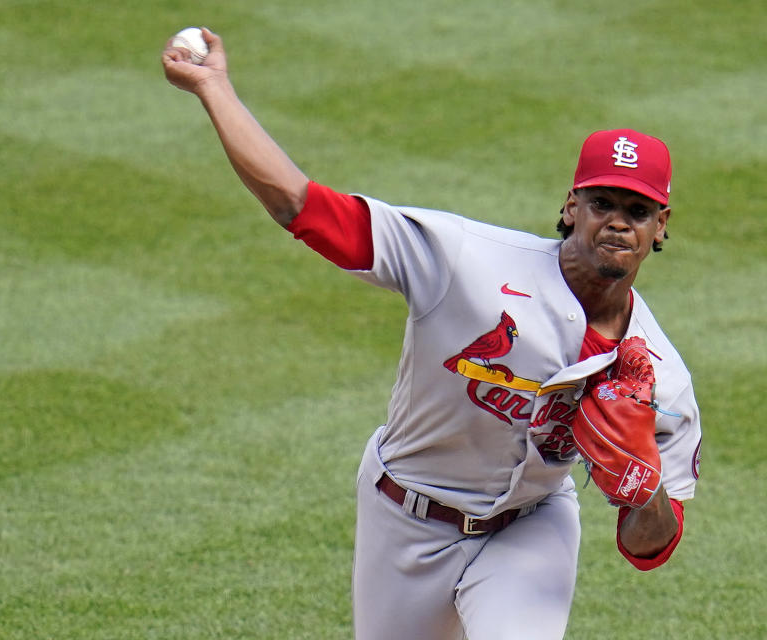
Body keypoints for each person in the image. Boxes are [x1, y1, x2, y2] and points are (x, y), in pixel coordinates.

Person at [162, 28, 702, 640]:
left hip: (530, 527)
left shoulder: (663, 378)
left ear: (661, 227)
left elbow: (650, 547)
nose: (618, 223)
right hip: (404, 511)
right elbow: (301, 205)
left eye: (637, 211)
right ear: (571, 205)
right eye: (603, 202)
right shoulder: (464, 259)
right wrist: (214, 88)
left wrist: (643, 490)